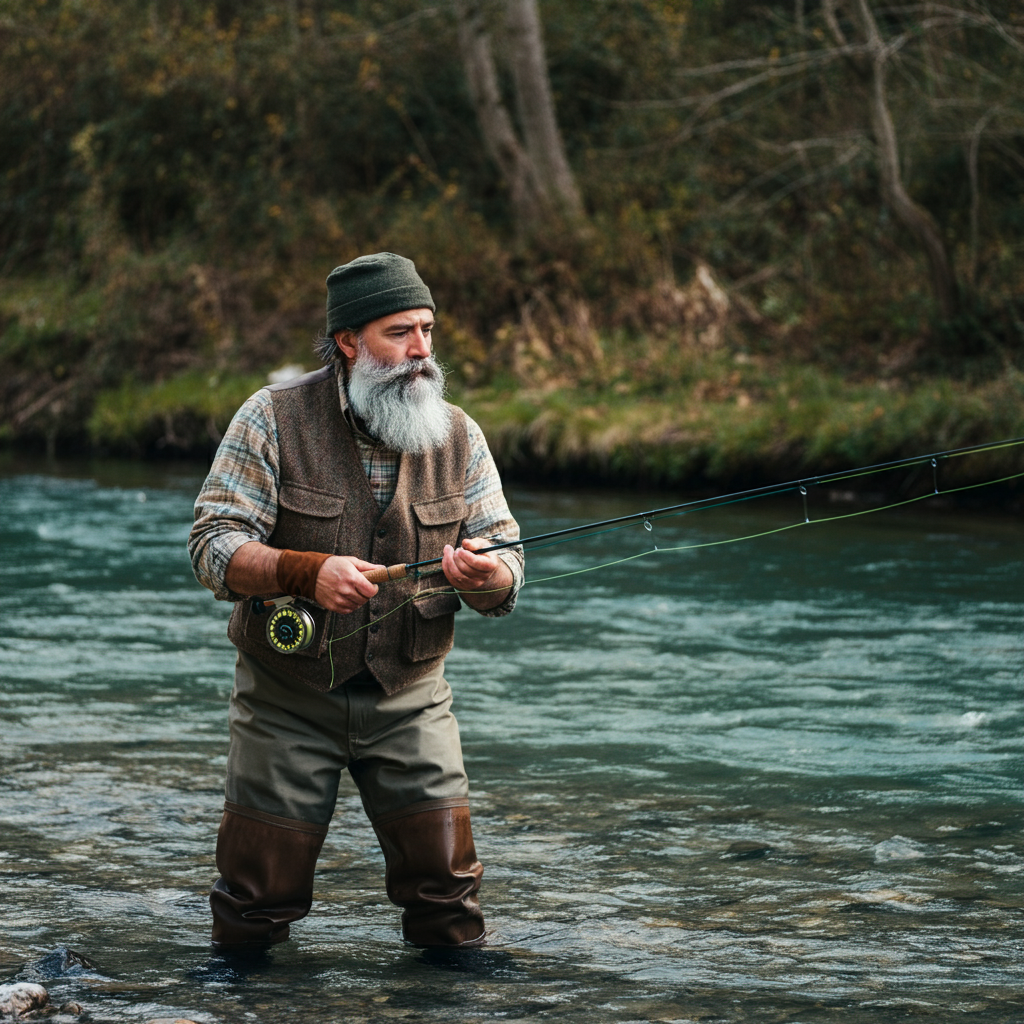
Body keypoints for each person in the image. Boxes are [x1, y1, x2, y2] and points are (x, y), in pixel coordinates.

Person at [188, 252, 523, 949]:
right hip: (287, 698)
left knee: (449, 903)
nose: (422, 351)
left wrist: (488, 577)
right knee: (256, 902)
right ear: (348, 341)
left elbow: (505, 557)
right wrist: (305, 571)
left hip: (412, 698)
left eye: (428, 330)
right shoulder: (270, 418)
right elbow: (213, 546)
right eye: (400, 332)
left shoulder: (459, 434)